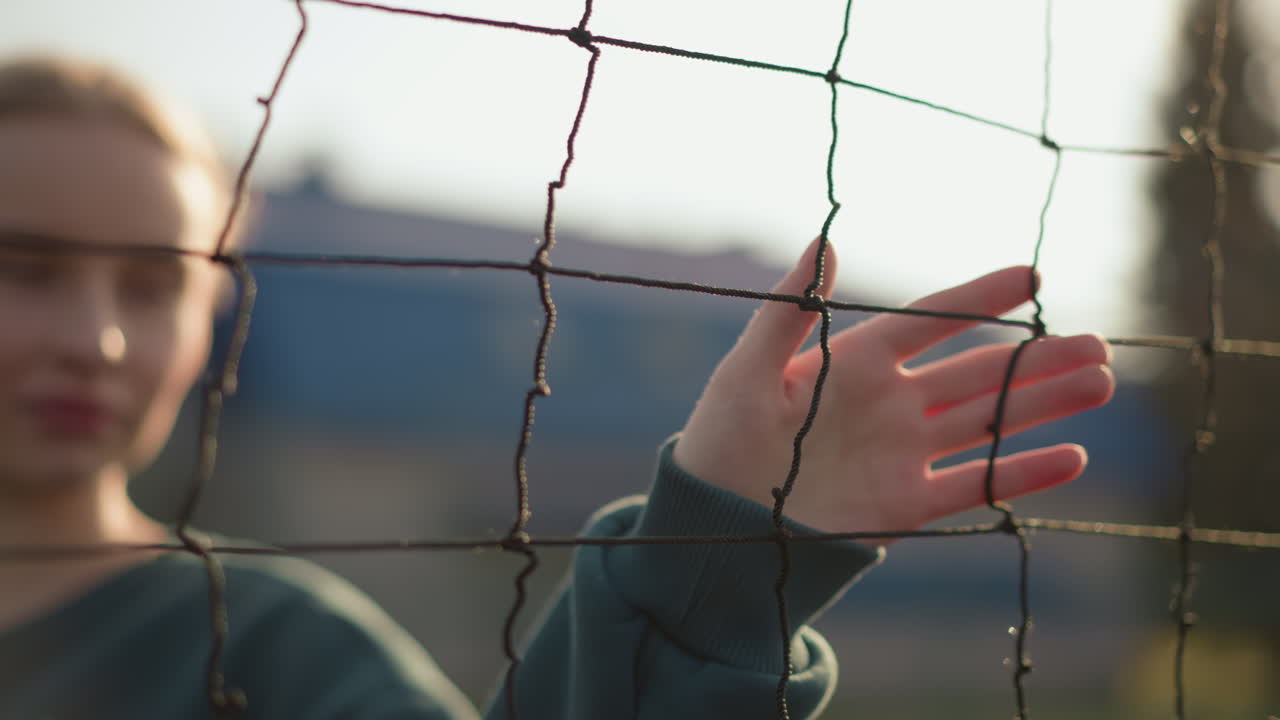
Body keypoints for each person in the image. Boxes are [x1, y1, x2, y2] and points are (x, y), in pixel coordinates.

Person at [0, 55, 1115, 719]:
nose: (94, 340)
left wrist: (717, 565)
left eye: (153, 287)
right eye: (26, 269)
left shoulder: (263, 651)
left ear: (213, 319)